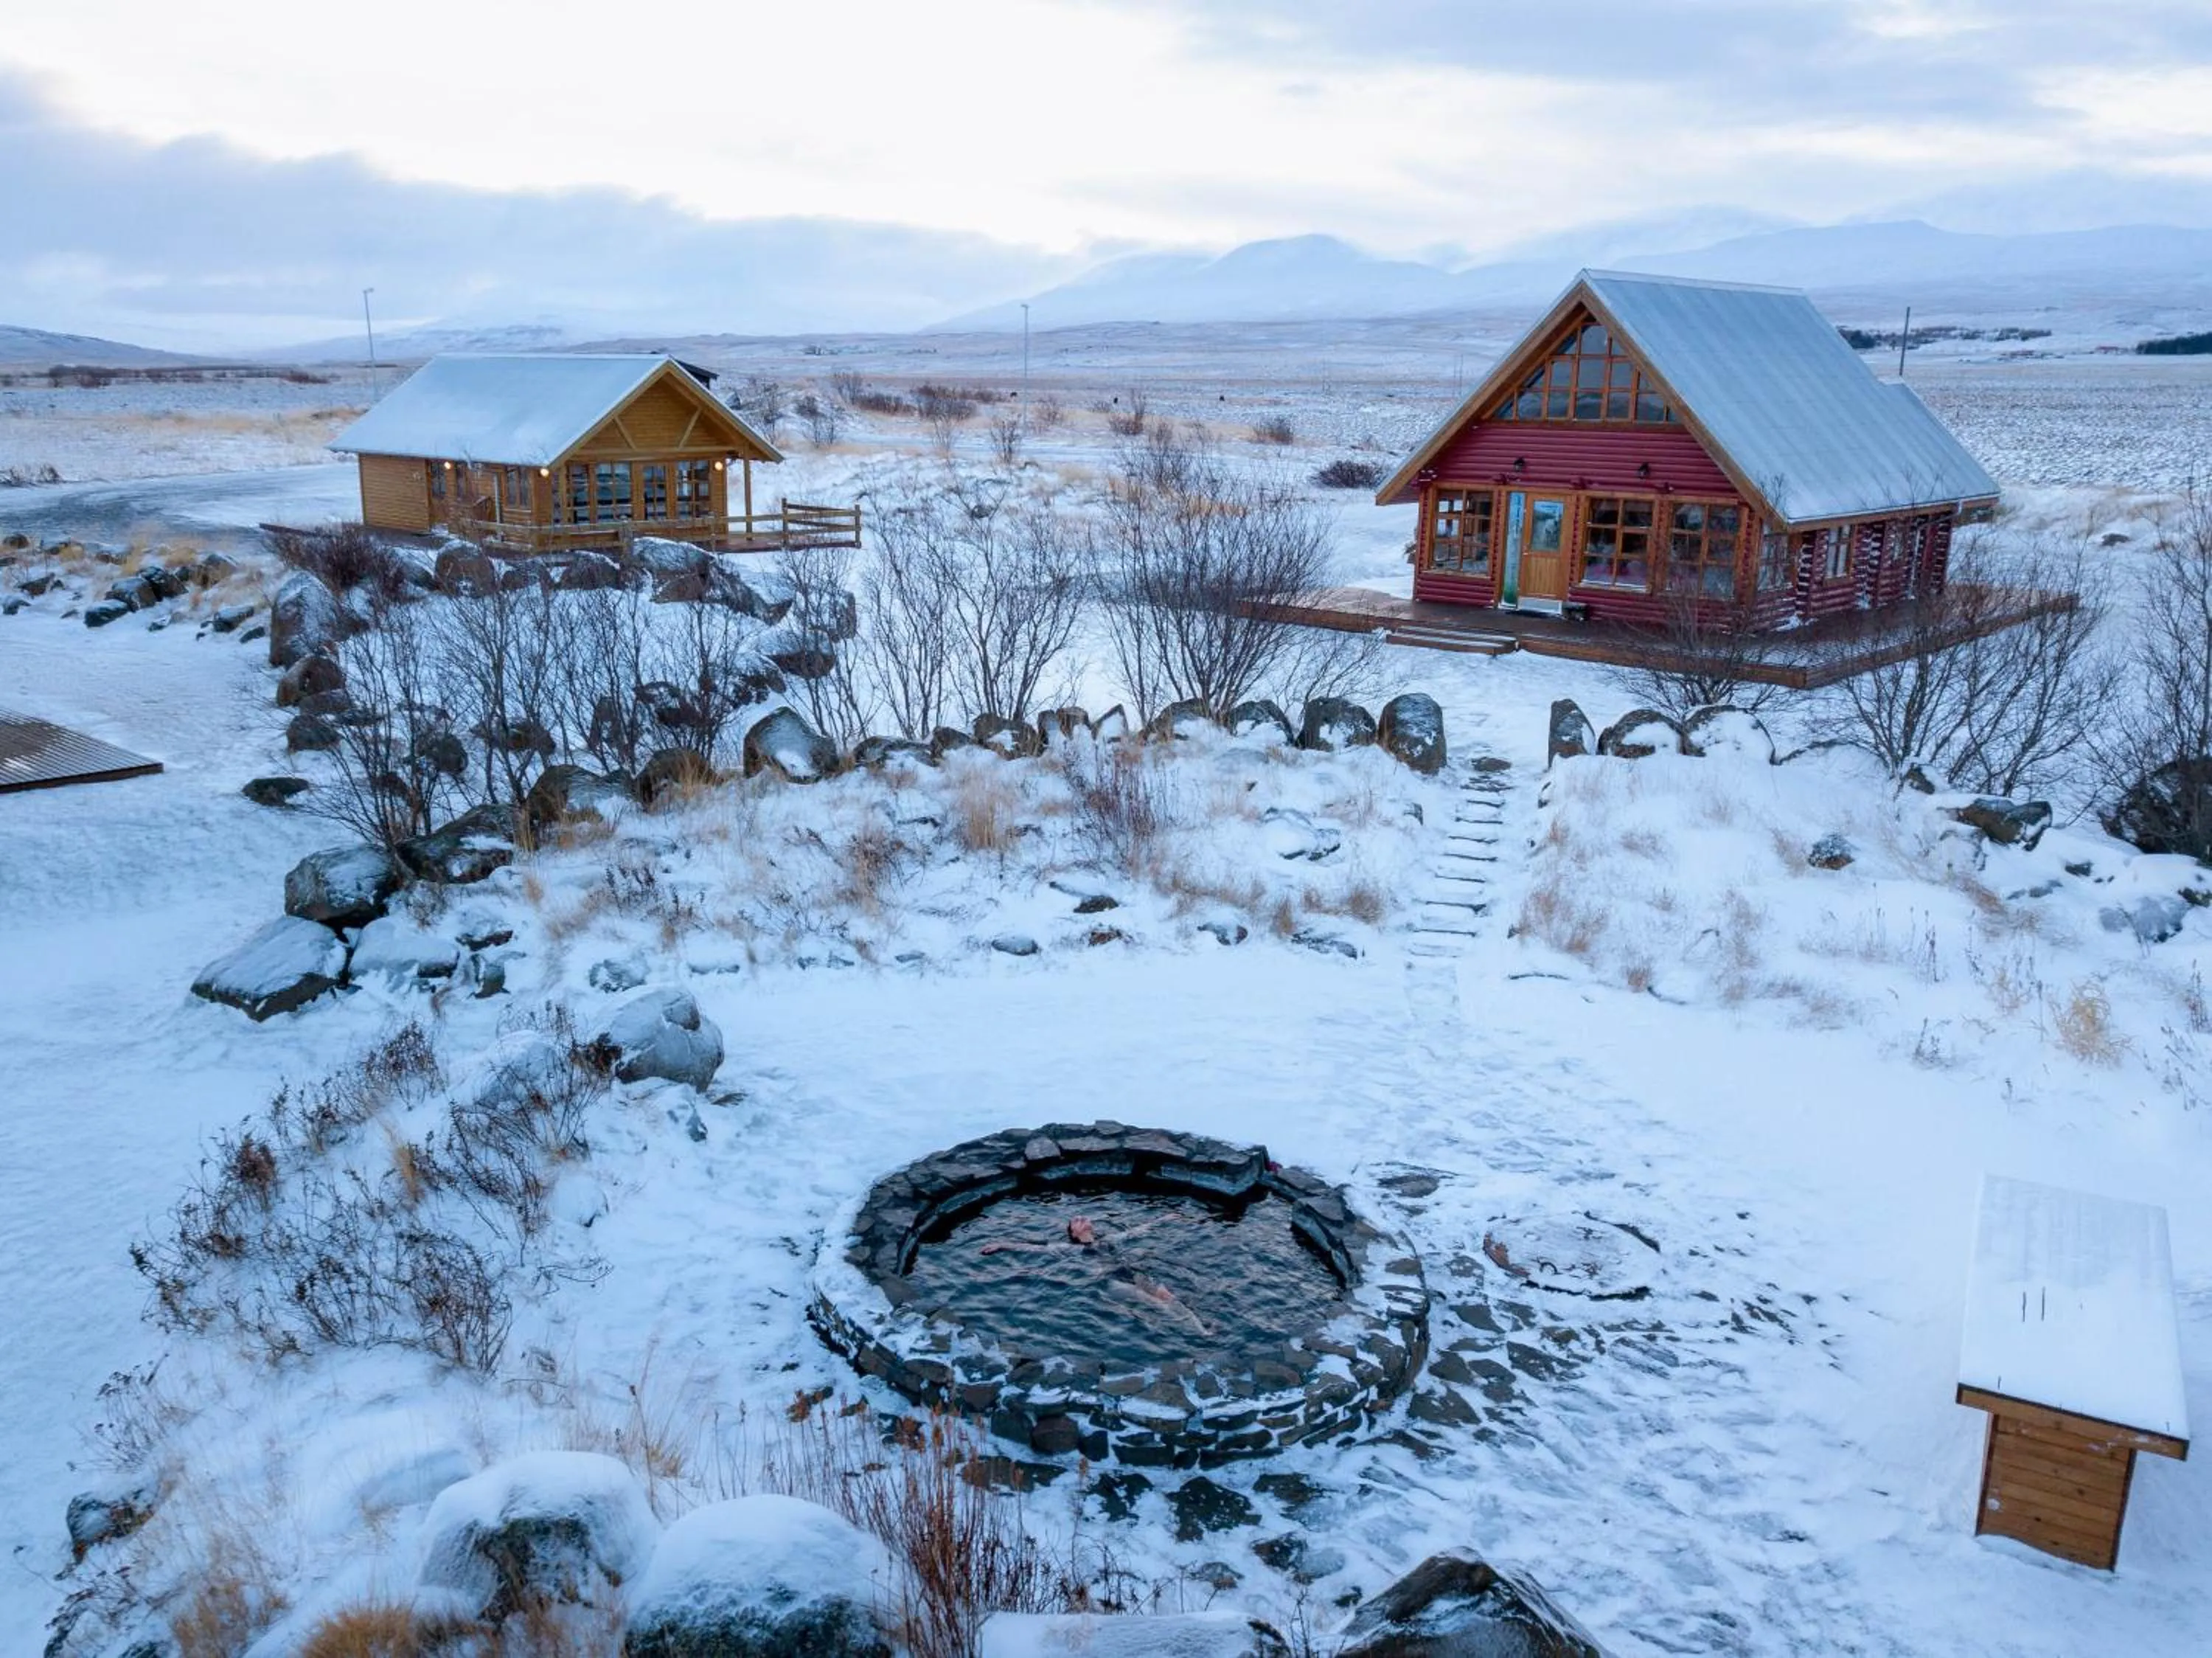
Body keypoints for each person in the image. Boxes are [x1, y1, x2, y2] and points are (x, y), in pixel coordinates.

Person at [981, 1211, 1211, 1336]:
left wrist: (1164, 1219)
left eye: (1083, 1217)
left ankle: (1201, 1329)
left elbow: (1136, 1232)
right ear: (1073, 1233)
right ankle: (1194, 1333)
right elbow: (1035, 1248)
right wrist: (1003, 1244)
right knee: (1156, 1303)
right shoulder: (1070, 1250)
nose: (1082, 1219)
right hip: (1112, 1283)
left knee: (1169, 1298)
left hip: (1132, 1273)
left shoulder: (1108, 1240)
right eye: (1076, 1221)